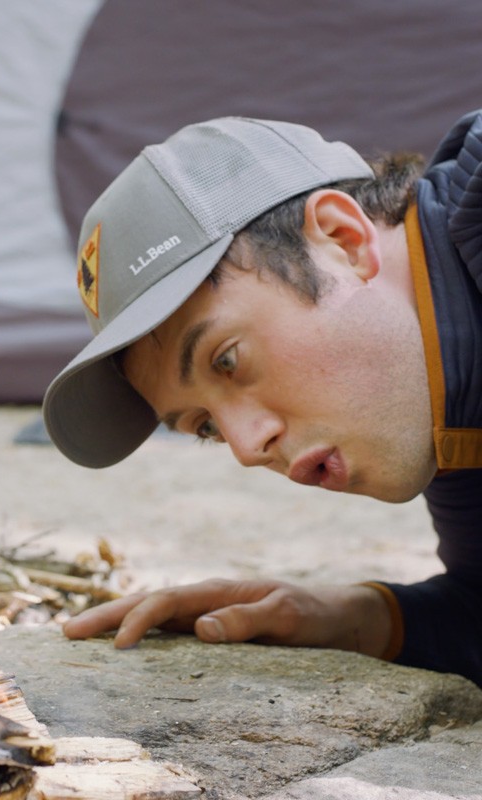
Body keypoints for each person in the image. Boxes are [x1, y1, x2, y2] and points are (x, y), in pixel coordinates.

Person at [41, 111, 482, 687]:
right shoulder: (442, 399)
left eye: (228, 360)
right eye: (205, 426)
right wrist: (350, 620)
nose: (248, 448)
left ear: (344, 241)